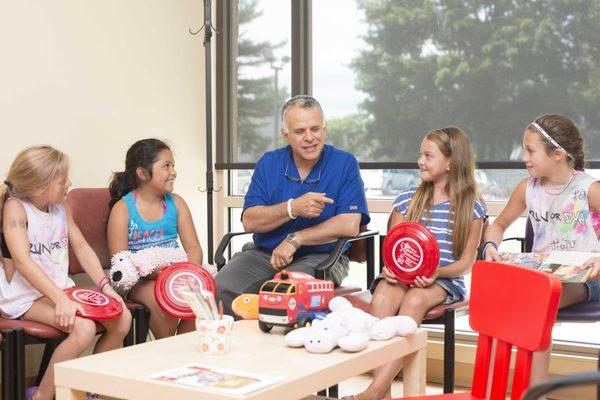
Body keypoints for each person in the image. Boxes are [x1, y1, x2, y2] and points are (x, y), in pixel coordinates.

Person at [347, 127, 486, 400]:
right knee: (383, 297)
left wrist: (436, 273)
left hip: (443, 279)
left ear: (450, 162)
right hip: (401, 275)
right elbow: (392, 248)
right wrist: (391, 267)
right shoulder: (407, 198)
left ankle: (374, 391)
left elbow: (466, 263)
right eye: (420, 154)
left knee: (413, 301)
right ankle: (382, 393)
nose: (420, 161)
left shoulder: (471, 206)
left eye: (428, 155)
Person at [215, 95, 370, 316]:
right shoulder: (269, 163)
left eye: (315, 129)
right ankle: (243, 347)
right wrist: (292, 208)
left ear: (325, 130)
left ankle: (277, 347)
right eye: (299, 131)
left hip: (323, 257)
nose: (309, 138)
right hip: (264, 254)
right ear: (285, 134)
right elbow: (250, 221)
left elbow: (349, 224)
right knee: (222, 286)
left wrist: (296, 240)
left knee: (285, 292)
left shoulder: (344, 163)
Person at [0, 145, 132, 400]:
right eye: (62, 181)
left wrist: (105, 287)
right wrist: (61, 300)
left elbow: (81, 247)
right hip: (24, 295)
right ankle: (42, 395)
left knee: (122, 317)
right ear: (39, 187)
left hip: (59, 288)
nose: (69, 184)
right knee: (82, 329)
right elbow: (23, 262)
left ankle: (93, 387)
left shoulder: (60, 205)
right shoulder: (15, 209)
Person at [483, 114, 600, 385]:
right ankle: (490, 388)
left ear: (557, 153)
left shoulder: (589, 190)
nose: (524, 157)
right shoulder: (527, 189)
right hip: (542, 278)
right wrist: (490, 245)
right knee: (501, 302)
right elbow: (498, 224)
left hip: (588, 281)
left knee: (537, 303)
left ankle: (533, 392)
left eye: (530, 150)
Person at [107, 138, 203, 338]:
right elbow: (121, 262)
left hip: (175, 275)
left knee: (198, 302)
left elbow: (194, 247)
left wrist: (188, 276)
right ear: (142, 173)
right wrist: (156, 274)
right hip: (139, 281)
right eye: (166, 166)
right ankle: (167, 352)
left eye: (173, 166)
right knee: (164, 302)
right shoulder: (123, 209)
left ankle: (181, 351)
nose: (173, 172)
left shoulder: (177, 204)